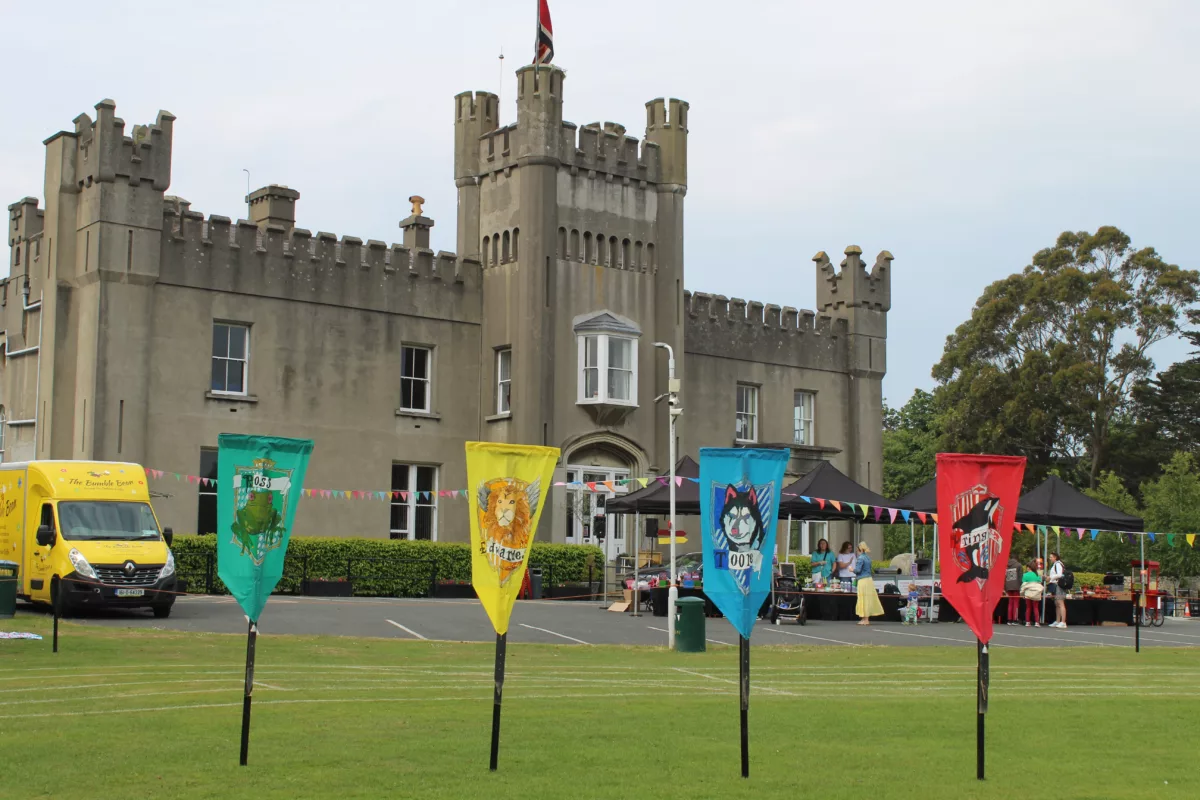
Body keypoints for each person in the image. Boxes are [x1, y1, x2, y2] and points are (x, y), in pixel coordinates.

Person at [853, 542, 884, 625]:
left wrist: (851, 569)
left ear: (859, 549)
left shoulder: (860, 558)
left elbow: (858, 570)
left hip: (863, 580)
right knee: (867, 598)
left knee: (862, 599)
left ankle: (865, 619)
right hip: (869, 579)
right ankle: (865, 618)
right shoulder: (867, 558)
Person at [1047, 552, 1068, 628]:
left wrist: (1051, 577)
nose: (1050, 558)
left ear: (1055, 557)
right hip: (1056, 585)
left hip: (1059, 585)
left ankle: (1063, 622)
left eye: (1051, 557)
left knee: (1060, 603)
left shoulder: (1058, 564)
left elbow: (1060, 575)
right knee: (1057, 604)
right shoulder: (1056, 564)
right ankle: (1058, 621)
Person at [1020, 562, 1043, 627]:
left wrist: (1022, 593)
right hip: (1036, 593)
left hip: (1028, 592)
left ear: (1029, 567)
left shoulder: (1025, 575)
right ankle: (1037, 622)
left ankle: (1027, 622)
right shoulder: (1037, 574)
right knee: (1036, 608)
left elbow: (1023, 584)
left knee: (1028, 608)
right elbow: (1040, 582)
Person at [1004, 556, 1021, 625]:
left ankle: (1009, 619)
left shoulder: (1006, 565)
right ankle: (1015, 619)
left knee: (1010, 603)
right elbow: (1020, 577)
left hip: (1008, 585)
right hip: (1016, 586)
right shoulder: (1018, 565)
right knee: (1016, 603)